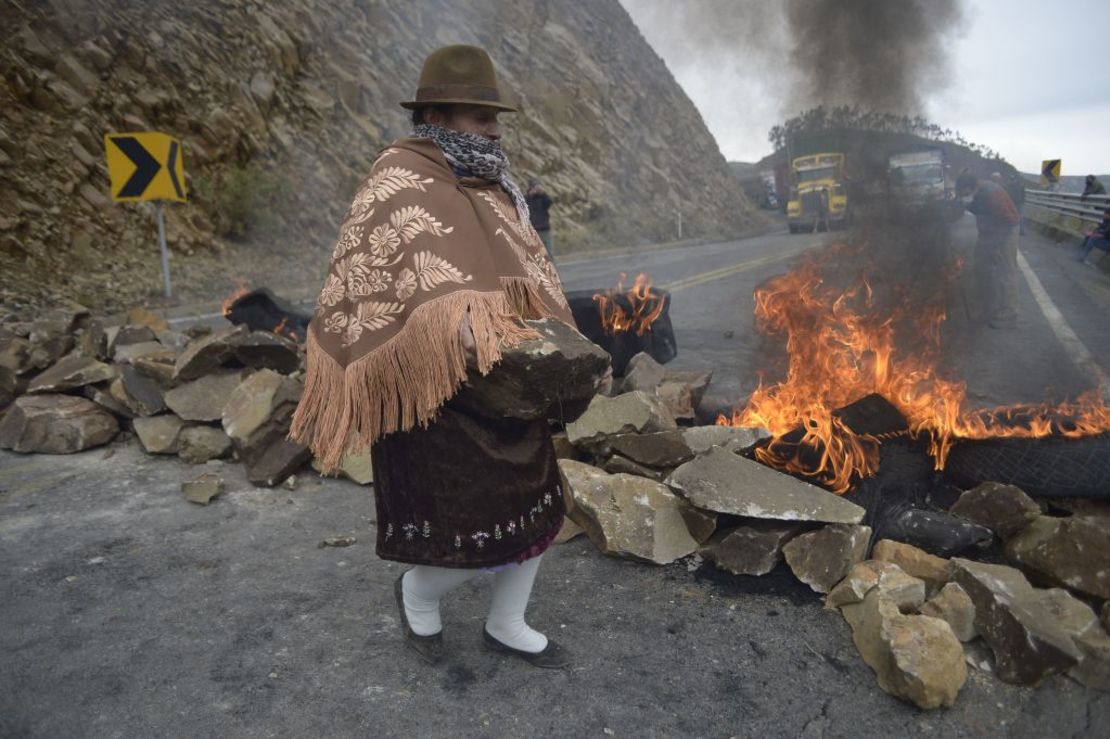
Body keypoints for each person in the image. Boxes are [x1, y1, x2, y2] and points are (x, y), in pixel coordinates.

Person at [290, 45, 575, 669]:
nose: (495, 129)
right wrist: (445, 331)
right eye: (480, 117)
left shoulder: (492, 185)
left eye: (495, 117)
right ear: (438, 116)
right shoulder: (398, 179)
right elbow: (369, 280)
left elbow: (520, 269)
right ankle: (418, 594)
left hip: (508, 376)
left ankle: (506, 621)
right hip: (436, 390)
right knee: (468, 518)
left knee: (538, 504)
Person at [955, 172, 1022, 328]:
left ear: (970, 187)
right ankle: (989, 307)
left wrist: (997, 245)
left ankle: (1009, 313)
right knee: (981, 266)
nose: (964, 196)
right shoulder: (978, 190)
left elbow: (1009, 220)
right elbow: (979, 209)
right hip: (989, 234)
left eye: (964, 193)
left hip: (1006, 233)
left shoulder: (992, 194)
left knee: (1005, 272)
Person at [525, 181, 554, 260]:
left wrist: (543, 193)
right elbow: (523, 207)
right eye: (535, 188)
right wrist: (530, 195)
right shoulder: (526, 199)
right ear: (530, 188)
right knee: (536, 254)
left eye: (538, 188)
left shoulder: (542, 198)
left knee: (549, 254)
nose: (537, 190)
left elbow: (549, 202)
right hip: (533, 230)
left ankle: (552, 271)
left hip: (545, 229)